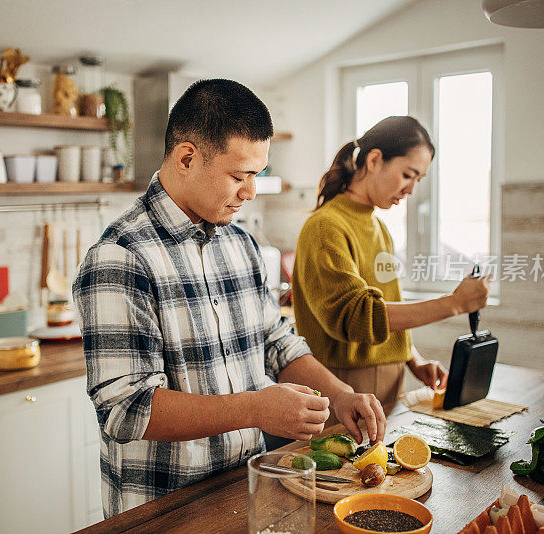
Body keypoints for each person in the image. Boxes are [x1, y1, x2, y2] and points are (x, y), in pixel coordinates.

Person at [73, 79, 387, 517]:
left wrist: (338, 393)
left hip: (245, 489)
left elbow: (275, 340)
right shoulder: (121, 257)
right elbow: (125, 411)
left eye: (256, 175)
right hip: (165, 509)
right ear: (186, 158)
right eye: (239, 176)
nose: (250, 191)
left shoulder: (241, 244)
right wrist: (256, 408)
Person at [291, 116, 491, 416]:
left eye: (419, 180)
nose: (411, 190)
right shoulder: (325, 228)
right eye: (408, 175)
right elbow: (359, 318)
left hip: (390, 379)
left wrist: (413, 359)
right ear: (374, 160)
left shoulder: (379, 227)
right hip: (344, 386)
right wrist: (454, 303)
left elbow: (384, 307)